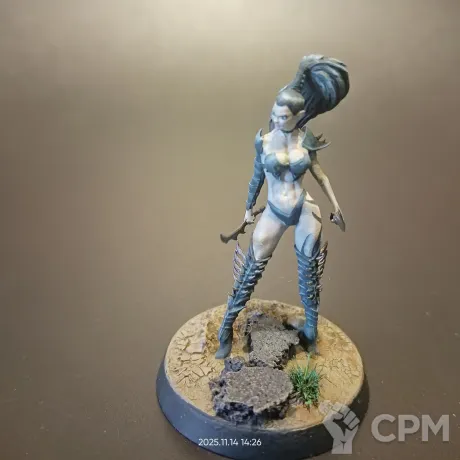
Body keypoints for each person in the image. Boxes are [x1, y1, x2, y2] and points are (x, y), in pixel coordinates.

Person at [215, 55, 349, 359]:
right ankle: (225, 329)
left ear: (298, 115)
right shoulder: (264, 142)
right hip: (275, 210)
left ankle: (311, 333)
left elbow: (319, 174)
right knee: (250, 272)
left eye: (283, 116)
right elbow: (256, 177)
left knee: (309, 273)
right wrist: (248, 209)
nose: (276, 120)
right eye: (274, 114)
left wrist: (336, 205)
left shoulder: (306, 139)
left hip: (303, 207)